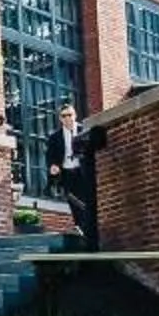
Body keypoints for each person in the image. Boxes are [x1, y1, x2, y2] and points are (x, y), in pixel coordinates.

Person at [53, 100, 103, 248]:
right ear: (60, 118)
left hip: (82, 172)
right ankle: (80, 227)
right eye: (64, 116)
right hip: (67, 173)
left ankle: (88, 231)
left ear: (75, 115)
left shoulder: (84, 130)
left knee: (86, 201)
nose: (67, 118)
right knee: (73, 201)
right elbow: (51, 154)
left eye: (70, 115)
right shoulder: (55, 137)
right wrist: (53, 166)